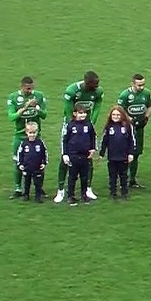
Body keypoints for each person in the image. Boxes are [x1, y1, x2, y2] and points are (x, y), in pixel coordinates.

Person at [57, 71, 103, 204]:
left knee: (88, 156)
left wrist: (91, 121)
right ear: (86, 83)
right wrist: (73, 123)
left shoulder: (98, 91)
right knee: (65, 157)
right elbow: (68, 110)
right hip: (71, 125)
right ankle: (61, 190)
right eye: (93, 85)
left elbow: (98, 104)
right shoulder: (72, 91)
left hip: (86, 125)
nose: (96, 87)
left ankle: (88, 188)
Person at [7, 76, 48, 199]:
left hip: (35, 136)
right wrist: (24, 108)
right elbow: (11, 117)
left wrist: (36, 108)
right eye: (28, 89)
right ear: (22, 87)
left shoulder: (39, 96)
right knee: (18, 162)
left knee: (39, 162)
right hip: (20, 136)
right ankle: (18, 188)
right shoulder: (13, 97)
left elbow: (44, 115)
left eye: (32, 88)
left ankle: (39, 188)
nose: (30, 91)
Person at [116, 74, 151, 189]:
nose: (141, 87)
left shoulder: (146, 93)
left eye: (143, 85)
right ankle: (123, 179)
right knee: (126, 154)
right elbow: (120, 109)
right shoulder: (125, 95)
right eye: (139, 85)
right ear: (132, 84)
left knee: (136, 154)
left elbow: (150, 106)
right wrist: (129, 119)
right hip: (127, 129)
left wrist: (146, 117)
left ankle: (132, 180)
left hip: (139, 128)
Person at [60, 106, 96, 207]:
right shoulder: (70, 125)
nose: (83, 115)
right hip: (73, 155)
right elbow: (65, 140)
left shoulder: (88, 124)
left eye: (84, 113)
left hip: (85, 155)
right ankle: (71, 196)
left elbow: (93, 136)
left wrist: (93, 148)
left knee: (84, 177)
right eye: (80, 113)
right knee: (72, 177)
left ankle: (84, 194)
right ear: (75, 113)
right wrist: (65, 154)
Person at [99, 106, 136, 199]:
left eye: (118, 115)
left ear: (122, 115)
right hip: (112, 156)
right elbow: (104, 140)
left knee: (123, 175)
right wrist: (102, 153)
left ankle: (124, 192)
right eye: (114, 115)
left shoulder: (127, 126)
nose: (115, 116)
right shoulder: (109, 126)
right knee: (112, 175)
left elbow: (131, 140)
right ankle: (113, 192)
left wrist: (131, 153)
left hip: (123, 156)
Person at [16, 121, 49, 202]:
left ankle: (38, 197)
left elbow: (44, 153)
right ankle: (26, 195)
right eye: (30, 133)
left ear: (37, 132)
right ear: (27, 132)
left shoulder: (40, 142)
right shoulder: (24, 143)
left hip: (37, 167)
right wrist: (20, 164)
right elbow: (20, 154)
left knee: (38, 183)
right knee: (27, 182)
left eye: (34, 133)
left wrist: (44, 163)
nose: (32, 135)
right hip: (27, 167)